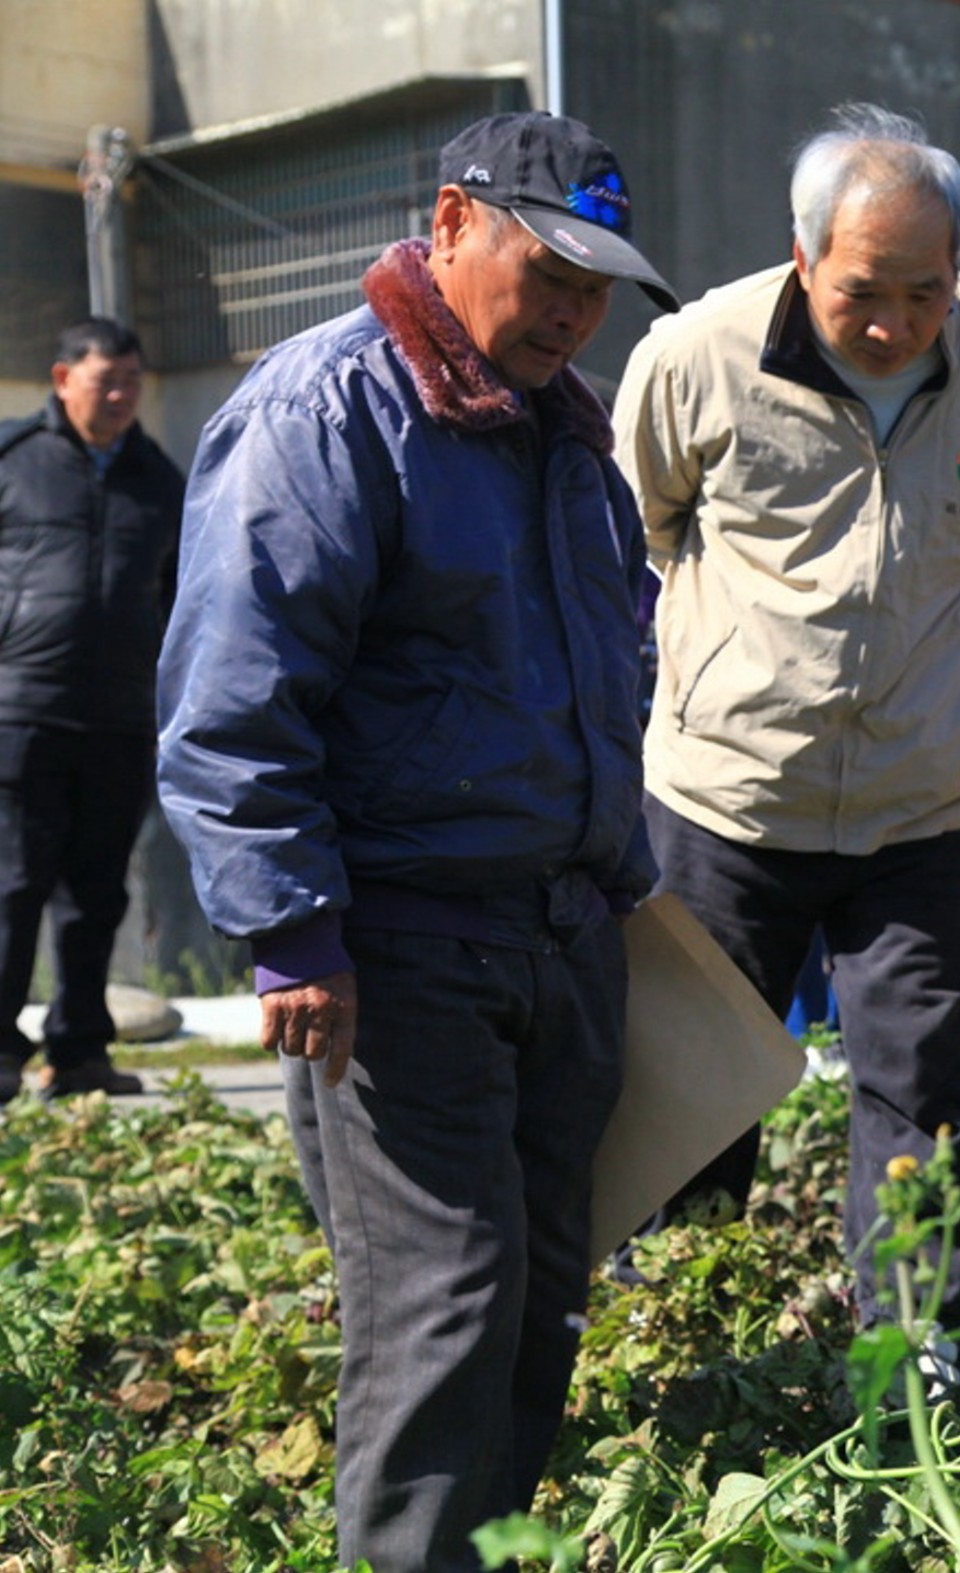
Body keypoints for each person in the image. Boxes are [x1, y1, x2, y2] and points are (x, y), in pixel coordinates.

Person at [156, 111, 675, 1571]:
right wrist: (291, 929)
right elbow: (233, 693)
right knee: (445, 1301)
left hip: (563, 930)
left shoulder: (567, 428)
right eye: (549, 267)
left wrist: (621, 867)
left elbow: (602, 666)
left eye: (599, 284)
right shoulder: (324, 410)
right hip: (400, 942)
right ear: (451, 224)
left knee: (542, 1294)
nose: (576, 309)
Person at [612, 103, 960, 1358]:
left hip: (926, 799)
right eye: (865, 290)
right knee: (695, 1084)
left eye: (928, 292)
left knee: (921, 1078)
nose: (897, 323)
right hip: (727, 796)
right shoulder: (697, 353)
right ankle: (688, 1324)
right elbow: (642, 524)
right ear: (804, 255)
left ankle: (915, 1338)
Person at [0, 317, 182, 1104]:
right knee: (10, 887)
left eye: (131, 382)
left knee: (97, 895)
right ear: (62, 377)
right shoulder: (14, 459)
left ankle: (78, 1054)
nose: (119, 396)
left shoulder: (160, 477)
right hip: (20, 711)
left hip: (119, 718)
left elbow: (183, 597)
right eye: (106, 380)